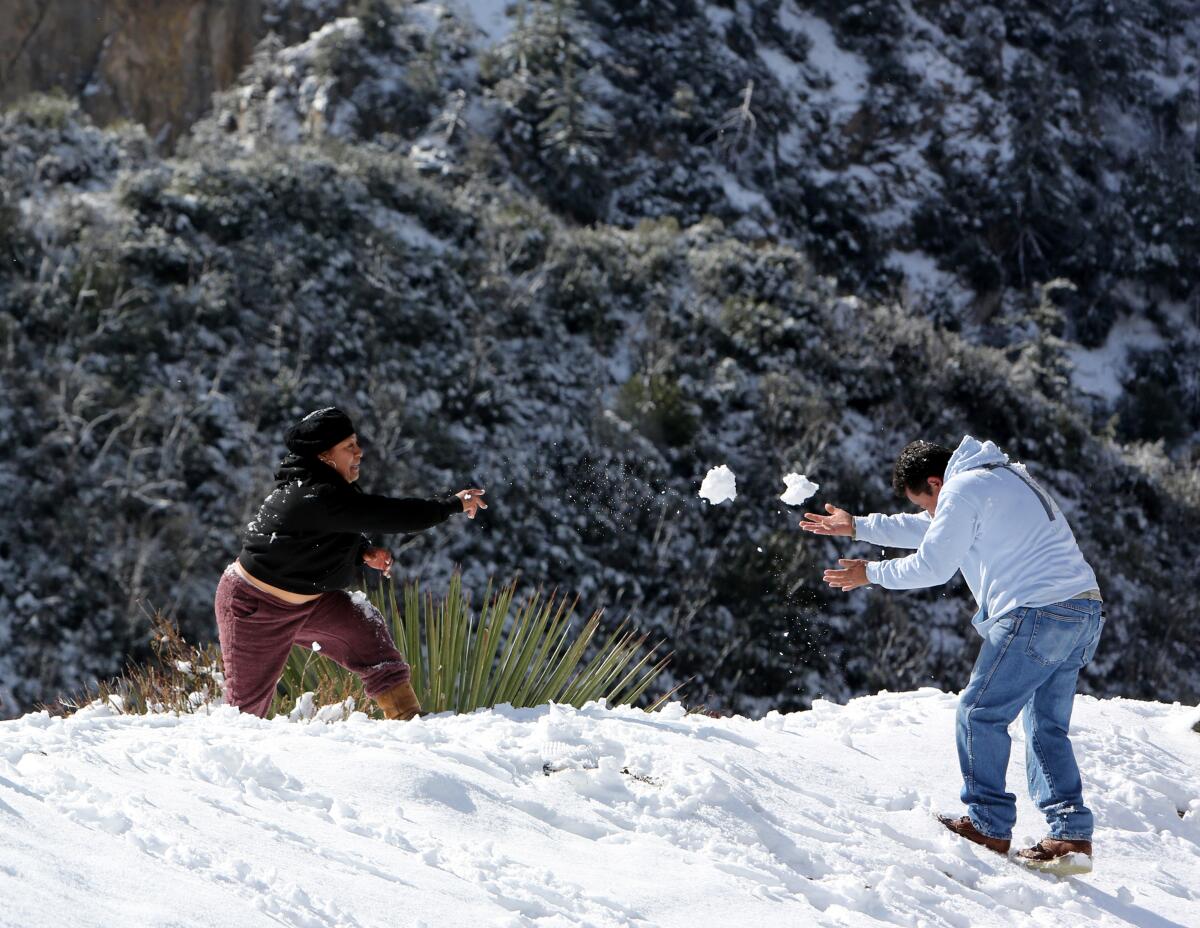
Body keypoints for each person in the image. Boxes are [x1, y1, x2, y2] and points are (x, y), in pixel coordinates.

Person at [801, 436, 1104, 875]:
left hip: (1037, 612)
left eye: (925, 502)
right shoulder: (1003, 477)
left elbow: (932, 565)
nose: (928, 512)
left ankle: (988, 824)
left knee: (980, 712)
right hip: (1083, 610)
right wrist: (859, 526)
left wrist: (870, 572)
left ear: (936, 482)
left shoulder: (962, 489)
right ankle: (1070, 834)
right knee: (1045, 725)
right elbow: (933, 528)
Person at [214, 406, 486, 721]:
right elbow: (388, 514)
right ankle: (218, 766)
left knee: (366, 632)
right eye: (349, 446)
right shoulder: (313, 495)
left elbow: (316, 538)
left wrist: (362, 552)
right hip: (254, 608)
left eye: (356, 443)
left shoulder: (323, 490)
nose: (359, 452)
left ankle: (407, 720)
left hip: (312, 603)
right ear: (323, 455)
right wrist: (452, 503)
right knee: (244, 713)